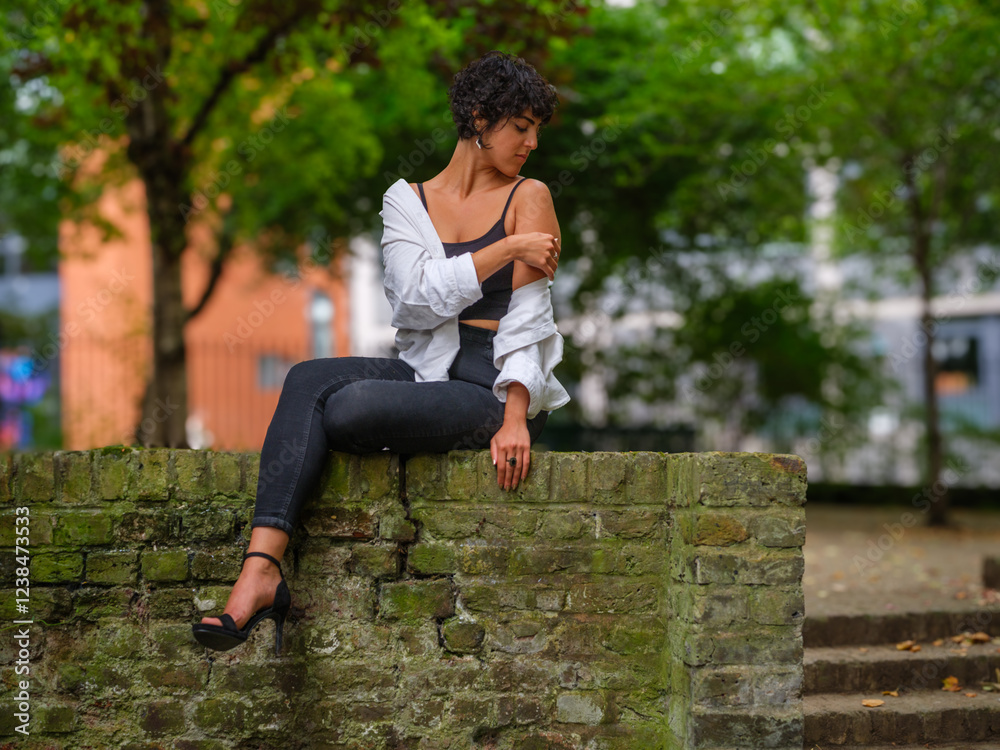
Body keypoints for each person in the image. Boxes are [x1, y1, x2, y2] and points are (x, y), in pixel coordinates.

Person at [192, 50, 570, 655]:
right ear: (479, 118)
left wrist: (517, 414)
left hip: (493, 385)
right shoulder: (406, 201)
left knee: (351, 408)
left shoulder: (530, 196)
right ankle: (260, 571)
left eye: (536, 131)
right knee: (307, 377)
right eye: (521, 127)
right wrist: (502, 251)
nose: (532, 143)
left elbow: (529, 318)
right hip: (426, 370)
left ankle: (262, 577)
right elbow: (413, 303)